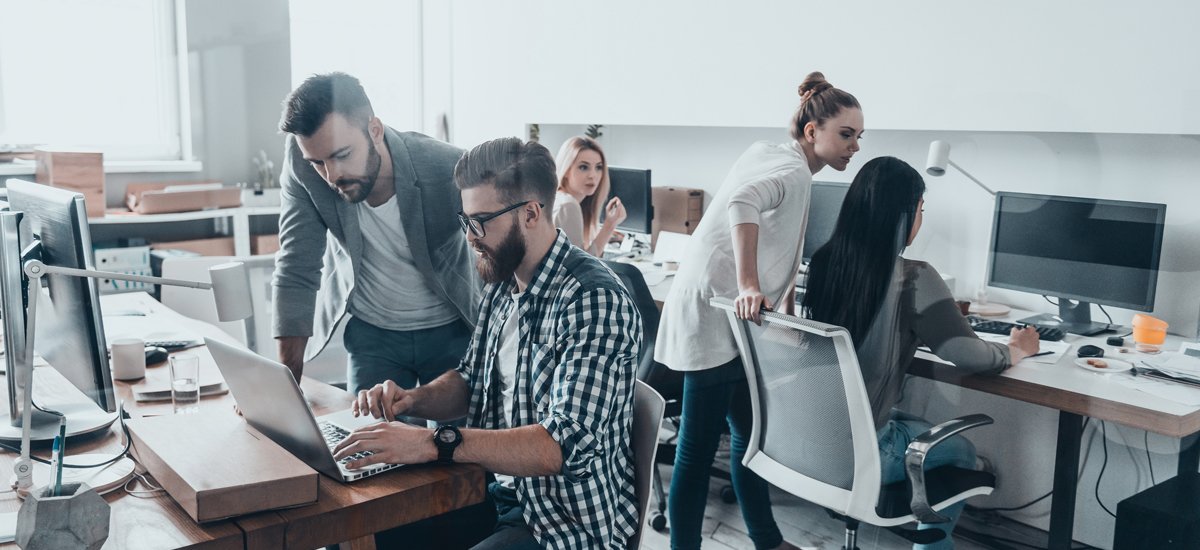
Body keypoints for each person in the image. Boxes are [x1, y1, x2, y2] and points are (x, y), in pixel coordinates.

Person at [332, 137, 642, 550]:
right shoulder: (503, 281)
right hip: (494, 496)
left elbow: (562, 446)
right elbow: (472, 380)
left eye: (480, 222)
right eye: (466, 222)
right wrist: (411, 401)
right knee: (353, 530)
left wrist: (430, 442)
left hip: (564, 524)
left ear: (531, 213)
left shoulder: (592, 297)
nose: (470, 237)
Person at [653, 71, 863, 550]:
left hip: (729, 318)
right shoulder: (791, 170)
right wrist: (750, 285)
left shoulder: (779, 156)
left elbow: (778, 239)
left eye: (858, 137)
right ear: (813, 132)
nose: (855, 146)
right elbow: (744, 203)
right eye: (846, 135)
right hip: (715, 315)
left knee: (752, 443)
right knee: (696, 450)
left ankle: (766, 540)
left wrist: (783, 302)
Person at [802, 156, 1040, 549]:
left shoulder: (825, 263)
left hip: (809, 439)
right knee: (963, 452)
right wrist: (1014, 349)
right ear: (902, 216)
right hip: (864, 451)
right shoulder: (914, 277)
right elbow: (969, 356)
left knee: (909, 423)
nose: (920, 220)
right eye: (920, 210)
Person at [274, 72, 480, 394]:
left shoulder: (449, 167)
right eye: (318, 162)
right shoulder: (301, 164)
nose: (332, 175)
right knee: (366, 441)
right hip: (373, 334)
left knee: (452, 441)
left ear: (375, 130)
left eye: (343, 155)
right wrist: (282, 386)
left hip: (450, 330)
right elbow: (296, 265)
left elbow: (499, 255)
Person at [552, 136, 626, 256]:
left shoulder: (557, 198)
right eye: (583, 167)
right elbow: (580, 267)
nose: (593, 175)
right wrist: (609, 225)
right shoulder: (568, 205)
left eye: (598, 167)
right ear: (566, 170)